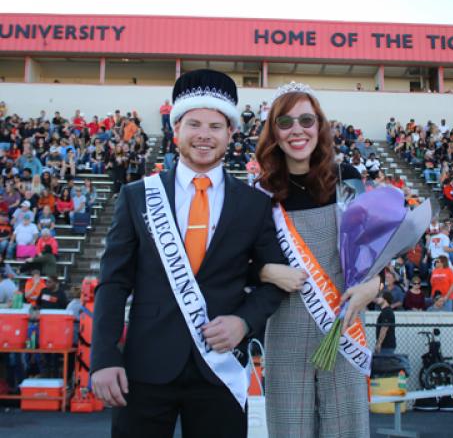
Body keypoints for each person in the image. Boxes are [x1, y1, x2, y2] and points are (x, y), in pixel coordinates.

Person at [90, 69, 287, 438]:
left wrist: (243, 323)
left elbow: (275, 280)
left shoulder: (254, 205)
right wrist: (103, 358)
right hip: (145, 368)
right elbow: (113, 283)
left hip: (220, 368)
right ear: (175, 129)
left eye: (215, 126)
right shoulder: (137, 197)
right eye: (194, 123)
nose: (204, 135)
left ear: (230, 134)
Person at [255, 82, 380, 437]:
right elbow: (240, 263)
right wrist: (265, 270)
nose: (298, 130)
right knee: (288, 428)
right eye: (286, 121)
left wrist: (375, 284)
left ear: (320, 126)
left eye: (306, 120)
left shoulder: (348, 179)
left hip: (343, 320)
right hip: (285, 327)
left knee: (348, 428)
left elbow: (370, 252)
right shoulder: (260, 192)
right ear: (274, 132)